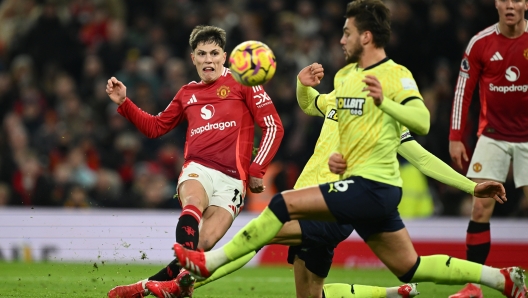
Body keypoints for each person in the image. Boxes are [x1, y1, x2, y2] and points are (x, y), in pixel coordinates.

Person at [173, 1, 526, 298]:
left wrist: (387, 104)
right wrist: (302, 86)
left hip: (368, 188)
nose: (341, 39)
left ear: (365, 36)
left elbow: (421, 127)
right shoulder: (345, 80)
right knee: (408, 267)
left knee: (279, 209)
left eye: (346, 32)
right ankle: (503, 278)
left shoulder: (394, 75)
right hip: (354, 191)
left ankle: (200, 268)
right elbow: (314, 106)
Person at [105, 25, 284, 298]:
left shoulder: (244, 83)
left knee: (201, 248)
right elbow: (155, 127)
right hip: (198, 168)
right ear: (193, 58)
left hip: (233, 181)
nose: (208, 60)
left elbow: (273, 126)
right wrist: (125, 103)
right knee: (193, 203)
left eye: (214, 53)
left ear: (225, 57)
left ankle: (144, 288)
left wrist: (257, 168)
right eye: (202, 53)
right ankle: (178, 285)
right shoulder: (187, 93)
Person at [448, 0, 528, 297]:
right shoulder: (480, 43)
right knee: (479, 207)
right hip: (492, 136)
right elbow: (462, 90)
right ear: (496, 4)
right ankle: (473, 286)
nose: (510, 5)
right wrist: (456, 136)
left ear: (526, 4)